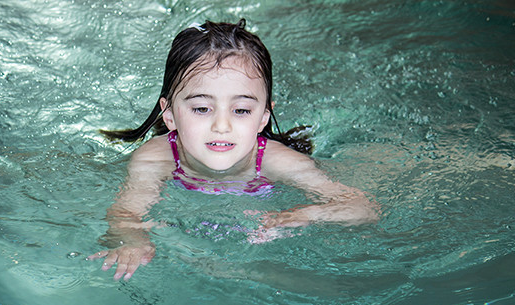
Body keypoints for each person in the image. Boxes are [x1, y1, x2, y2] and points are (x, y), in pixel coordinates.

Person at [88, 19, 379, 281]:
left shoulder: (277, 162)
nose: (222, 125)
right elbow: (126, 212)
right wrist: (132, 238)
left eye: (241, 110)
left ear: (263, 116)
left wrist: (305, 215)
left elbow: (361, 208)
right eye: (202, 108)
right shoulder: (156, 158)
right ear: (170, 114)